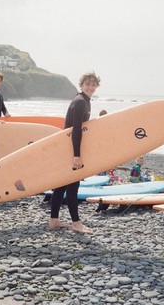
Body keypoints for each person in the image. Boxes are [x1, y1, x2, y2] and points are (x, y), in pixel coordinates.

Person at [49, 72, 100, 234]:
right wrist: (76, 155)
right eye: (87, 84)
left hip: (67, 148)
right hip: (71, 150)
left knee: (61, 185)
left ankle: (54, 221)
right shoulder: (80, 103)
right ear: (81, 85)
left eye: (93, 85)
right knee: (72, 187)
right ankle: (76, 224)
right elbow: (76, 130)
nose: (90, 87)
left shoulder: (83, 100)